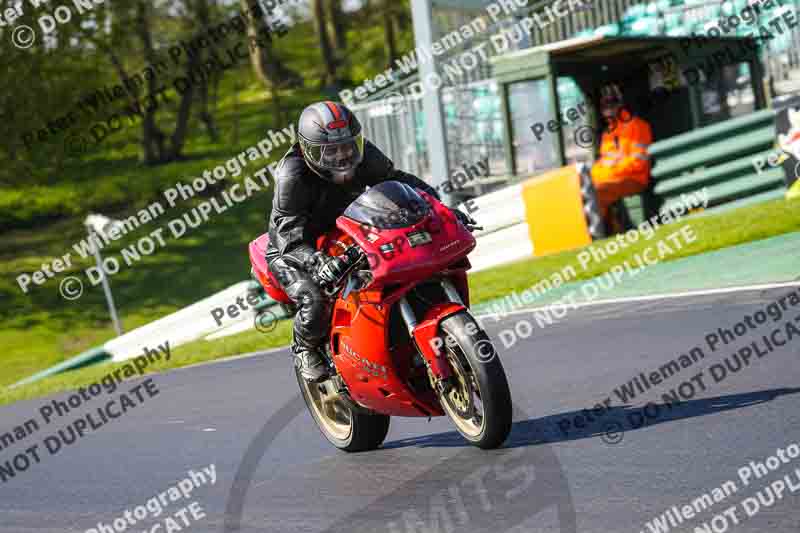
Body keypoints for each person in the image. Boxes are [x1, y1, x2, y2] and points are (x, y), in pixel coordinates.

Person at [266, 101, 475, 382]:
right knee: (314, 298)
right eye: (331, 151)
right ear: (308, 151)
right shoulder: (292, 175)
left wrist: (442, 211)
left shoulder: (364, 156)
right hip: (295, 246)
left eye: (348, 146)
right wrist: (318, 262)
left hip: (346, 228)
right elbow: (287, 234)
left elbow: (397, 181)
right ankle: (304, 348)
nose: (342, 156)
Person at [590, 83, 654, 233]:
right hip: (614, 180)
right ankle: (610, 231)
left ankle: (602, 235)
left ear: (620, 103)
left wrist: (611, 171)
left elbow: (639, 163)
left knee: (596, 192)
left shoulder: (638, 125)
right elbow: (603, 163)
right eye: (604, 103)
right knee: (586, 192)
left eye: (611, 102)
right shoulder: (607, 134)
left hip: (635, 179)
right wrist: (593, 175)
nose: (607, 106)